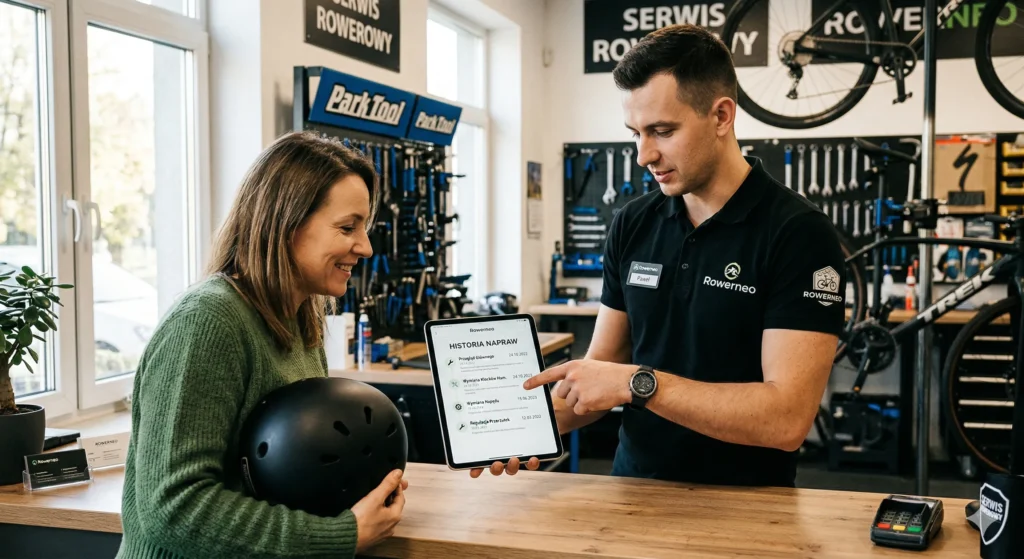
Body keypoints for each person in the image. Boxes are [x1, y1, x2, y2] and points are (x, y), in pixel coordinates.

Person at [473, 24, 845, 487]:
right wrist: (512, 431)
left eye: (662, 131)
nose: (644, 155)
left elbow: (786, 420)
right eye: (635, 133)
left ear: (722, 116)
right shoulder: (633, 223)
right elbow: (603, 369)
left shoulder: (798, 233)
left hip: (748, 506)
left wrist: (637, 383)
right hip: (633, 491)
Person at [117, 131, 408, 558]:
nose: (364, 247)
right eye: (348, 227)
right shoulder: (207, 322)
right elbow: (175, 507)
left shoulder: (299, 318)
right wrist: (339, 535)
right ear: (286, 224)